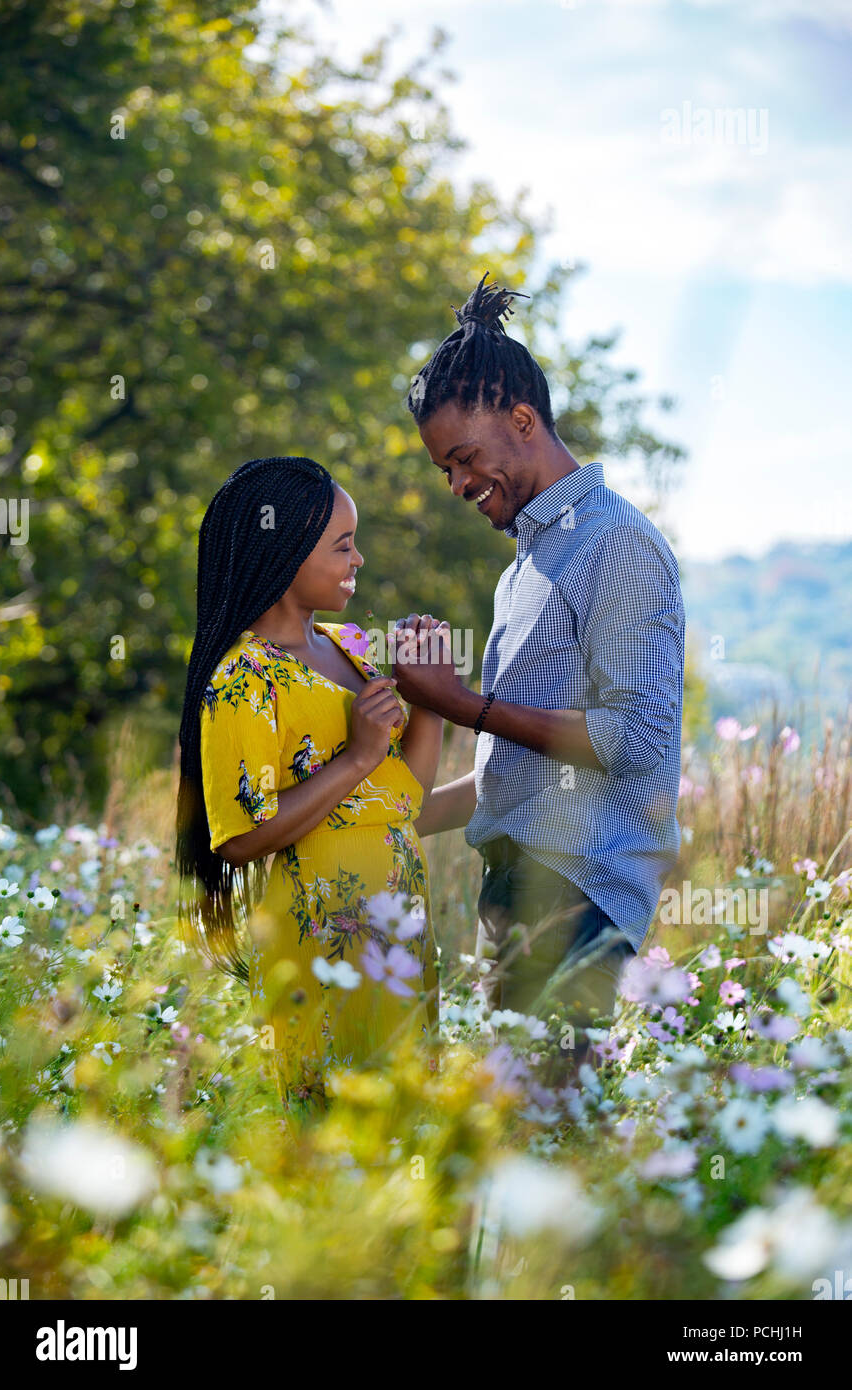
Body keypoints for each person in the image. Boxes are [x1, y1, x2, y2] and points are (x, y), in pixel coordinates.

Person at [395, 274, 685, 1076]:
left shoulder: (615, 544)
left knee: (540, 1139)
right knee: (524, 1144)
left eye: (463, 458)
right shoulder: (522, 569)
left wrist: (462, 704)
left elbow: (629, 742)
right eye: (443, 469)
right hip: (520, 890)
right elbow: (513, 775)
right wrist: (387, 816)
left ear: (522, 420)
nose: (456, 485)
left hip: (576, 899)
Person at [176, 455, 445, 1121]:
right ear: (287, 549)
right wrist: (355, 757)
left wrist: (431, 694)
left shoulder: (351, 646)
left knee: (406, 1134)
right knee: (332, 1143)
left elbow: (402, 801)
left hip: (400, 932)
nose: (358, 560)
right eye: (343, 545)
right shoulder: (243, 677)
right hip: (320, 936)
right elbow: (239, 837)